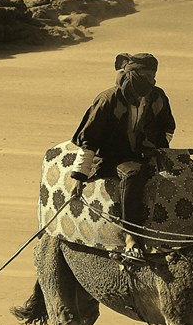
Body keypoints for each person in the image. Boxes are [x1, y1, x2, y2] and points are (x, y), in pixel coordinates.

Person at [69, 53, 176, 262]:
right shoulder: (108, 99)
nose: (152, 81)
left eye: (153, 76)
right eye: (146, 76)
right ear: (132, 74)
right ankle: (131, 237)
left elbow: (167, 128)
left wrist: (159, 148)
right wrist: (79, 177)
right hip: (112, 157)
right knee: (134, 174)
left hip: (146, 154)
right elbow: (90, 139)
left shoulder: (157, 97)